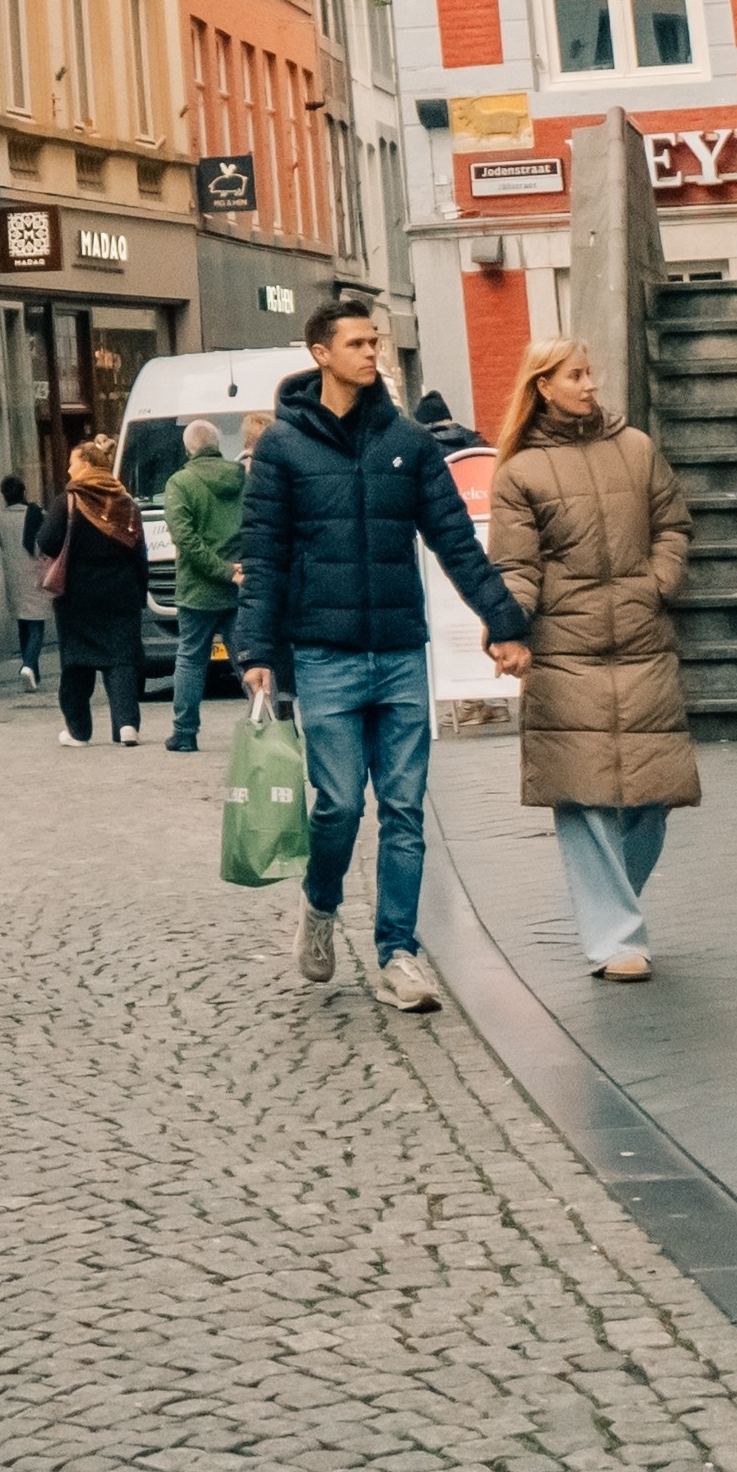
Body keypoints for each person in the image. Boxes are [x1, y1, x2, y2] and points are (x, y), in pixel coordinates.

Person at [246, 292, 533, 1012]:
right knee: (340, 805)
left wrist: (503, 621)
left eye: (374, 341)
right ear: (320, 354)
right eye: (357, 343)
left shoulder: (408, 441)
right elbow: (264, 555)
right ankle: (321, 904)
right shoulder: (282, 447)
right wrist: (256, 649)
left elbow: (455, 541)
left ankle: (398, 954)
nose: (372, 352)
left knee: (404, 809)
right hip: (325, 655)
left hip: (402, 650)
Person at [489, 342, 700, 981]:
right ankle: (616, 940)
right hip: (565, 649)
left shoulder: (636, 448)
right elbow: (515, 566)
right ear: (543, 386)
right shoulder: (519, 473)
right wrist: (508, 630)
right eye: (575, 375)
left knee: (652, 797)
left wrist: (658, 582)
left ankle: (606, 904)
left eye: (590, 373)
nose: (590, 384)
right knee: (584, 798)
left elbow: (673, 525)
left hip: (641, 642)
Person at [33, 437, 149, 750]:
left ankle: (79, 731)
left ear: (86, 464)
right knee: (121, 659)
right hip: (121, 591)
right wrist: (140, 591)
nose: (69, 470)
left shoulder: (69, 500)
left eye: (72, 463)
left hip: (78, 593)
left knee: (77, 662)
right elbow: (139, 551)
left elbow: (46, 541)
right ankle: (126, 725)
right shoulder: (125, 501)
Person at [153, 425, 245, 754]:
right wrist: (237, 569)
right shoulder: (242, 478)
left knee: (191, 659)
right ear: (217, 445)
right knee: (248, 660)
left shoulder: (180, 483)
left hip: (197, 591)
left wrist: (220, 570)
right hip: (240, 586)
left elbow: (185, 539)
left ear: (188, 448)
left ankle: (185, 732)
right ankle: (269, 725)